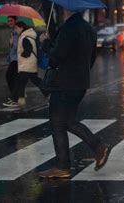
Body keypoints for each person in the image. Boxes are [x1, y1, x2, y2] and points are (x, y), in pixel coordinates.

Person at [38, 9, 111, 179]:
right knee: (68, 122)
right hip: (80, 83)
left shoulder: (69, 28)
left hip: (63, 84)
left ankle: (63, 166)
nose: (62, 11)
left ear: (68, 9)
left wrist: (45, 43)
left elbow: (56, 56)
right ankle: (98, 147)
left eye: (63, 8)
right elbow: (91, 59)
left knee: (57, 124)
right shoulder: (89, 29)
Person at [3, 21, 44, 108]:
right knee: (34, 80)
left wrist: (22, 54)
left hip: (26, 65)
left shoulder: (25, 37)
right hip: (29, 64)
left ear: (21, 28)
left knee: (19, 82)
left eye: (16, 28)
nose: (15, 30)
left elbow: (28, 50)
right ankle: (49, 92)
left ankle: (14, 100)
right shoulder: (26, 36)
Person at [5, 16, 18, 96]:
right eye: (8, 21)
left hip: (16, 59)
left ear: (15, 21)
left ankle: (15, 96)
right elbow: (11, 47)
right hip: (13, 58)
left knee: (9, 76)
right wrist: (10, 43)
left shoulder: (16, 31)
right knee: (15, 77)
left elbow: (17, 47)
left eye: (11, 20)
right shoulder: (13, 31)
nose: (9, 22)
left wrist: (12, 42)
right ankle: (19, 95)